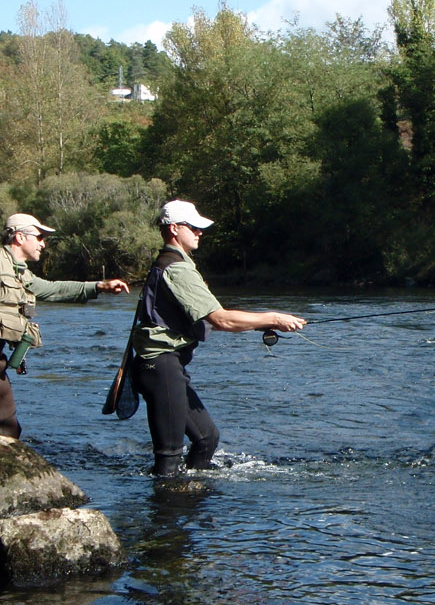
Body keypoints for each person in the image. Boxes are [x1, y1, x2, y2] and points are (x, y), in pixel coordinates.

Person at [131, 199, 306, 476]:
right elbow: (221, 319)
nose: (200, 232)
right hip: (159, 365)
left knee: (206, 438)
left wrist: (260, 324)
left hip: (166, 365)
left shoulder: (174, 263)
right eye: (194, 227)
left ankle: (190, 495)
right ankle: (166, 512)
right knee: (168, 457)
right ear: (175, 229)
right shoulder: (177, 268)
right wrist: (273, 318)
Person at [0, 212, 130, 438]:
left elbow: (53, 289)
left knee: (7, 428)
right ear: (19, 237)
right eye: (38, 237)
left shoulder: (20, 271)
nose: (43, 244)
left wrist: (99, 286)